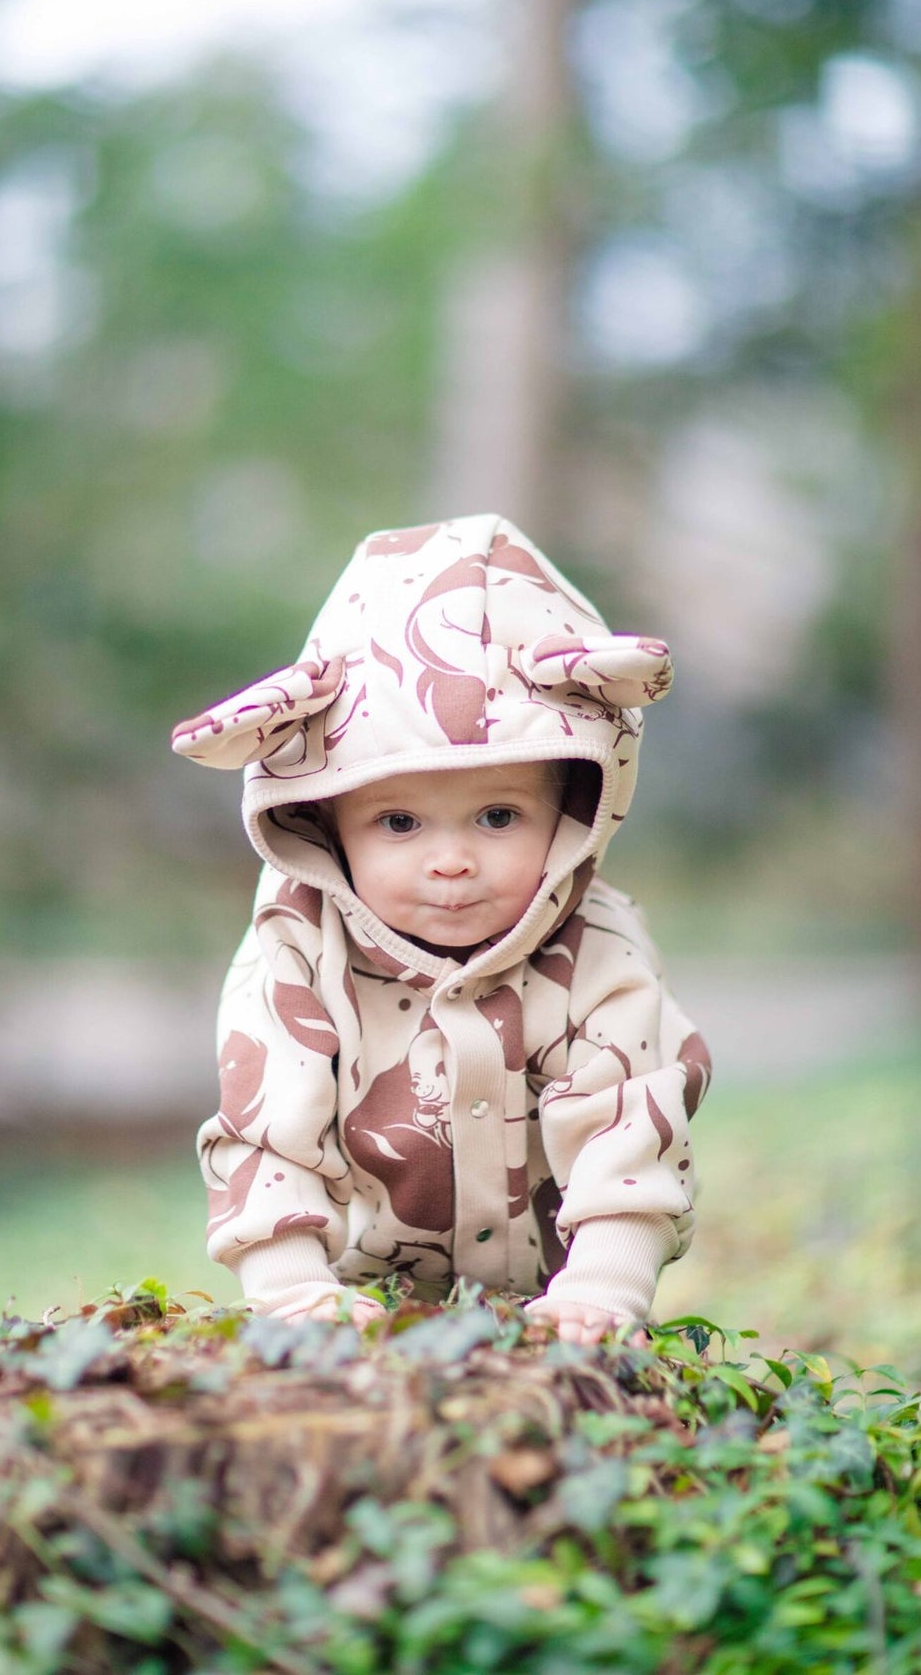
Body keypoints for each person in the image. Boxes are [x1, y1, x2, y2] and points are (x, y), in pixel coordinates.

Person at [172, 514, 711, 1344]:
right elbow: (266, 1124)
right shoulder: (296, 946)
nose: (451, 860)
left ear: (574, 810)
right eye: (399, 822)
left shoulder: (597, 944)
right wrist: (292, 1287)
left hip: (558, 1291)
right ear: (325, 820)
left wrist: (603, 1286)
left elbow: (630, 1122)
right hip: (357, 1286)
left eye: (498, 816)